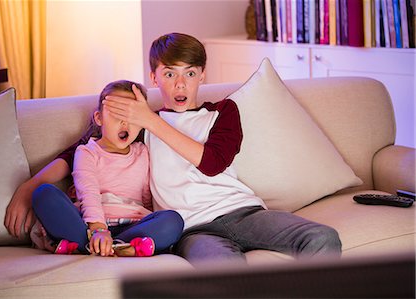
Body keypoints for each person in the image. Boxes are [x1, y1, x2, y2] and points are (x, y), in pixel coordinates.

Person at [101, 33, 342, 265]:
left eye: (190, 73)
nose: (181, 84)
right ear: (154, 78)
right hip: (192, 230)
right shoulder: (142, 127)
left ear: (202, 75)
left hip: (243, 213)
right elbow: (88, 145)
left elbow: (213, 164)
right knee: (226, 271)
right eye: (169, 74)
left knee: (322, 238)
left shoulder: (223, 112)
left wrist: (151, 121)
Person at [28, 80, 184, 256]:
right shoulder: (87, 152)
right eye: (117, 114)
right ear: (99, 118)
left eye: (132, 117)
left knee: (173, 220)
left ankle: (94, 248)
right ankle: (118, 248)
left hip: (132, 227)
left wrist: (152, 224)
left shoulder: (143, 153)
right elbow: (89, 193)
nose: (125, 123)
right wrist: (98, 230)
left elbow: (147, 198)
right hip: (89, 226)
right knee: (43, 193)